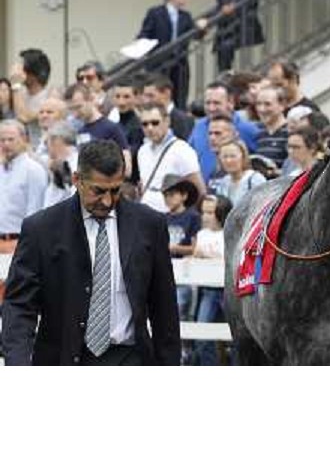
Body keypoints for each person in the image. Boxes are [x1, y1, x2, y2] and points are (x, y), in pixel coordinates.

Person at [2, 139, 181, 365]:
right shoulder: (41, 229)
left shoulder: (149, 225)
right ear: (77, 180)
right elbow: (19, 305)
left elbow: (164, 307)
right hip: (61, 361)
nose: (107, 201)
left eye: (115, 190)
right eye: (98, 191)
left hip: (130, 359)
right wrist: (17, 364)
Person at [138, 0, 202, 109]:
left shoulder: (186, 16)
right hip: (158, 64)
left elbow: (195, 36)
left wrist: (201, 28)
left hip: (180, 64)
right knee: (156, 98)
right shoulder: (155, 13)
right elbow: (144, 34)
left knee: (179, 99)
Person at [161, 173, 201, 363]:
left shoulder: (193, 217)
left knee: (182, 310)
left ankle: (185, 352)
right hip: (166, 272)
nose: (168, 199)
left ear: (183, 195)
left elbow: (196, 247)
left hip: (186, 272)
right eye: (166, 195)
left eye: (172, 194)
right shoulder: (162, 218)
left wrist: (173, 248)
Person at [137, 103, 205, 213]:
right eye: (145, 124)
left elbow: (198, 190)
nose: (150, 128)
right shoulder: (142, 151)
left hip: (170, 217)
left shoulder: (181, 149)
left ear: (167, 121)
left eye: (155, 123)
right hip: (145, 213)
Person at [188, 81, 259, 183]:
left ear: (230, 103)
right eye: (208, 103)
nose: (211, 108)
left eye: (216, 103)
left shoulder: (247, 129)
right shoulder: (198, 126)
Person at [199, 0, 265, 73]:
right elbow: (218, 10)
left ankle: (226, 75)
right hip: (228, 31)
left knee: (226, 45)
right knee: (223, 45)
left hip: (244, 29)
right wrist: (204, 20)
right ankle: (224, 76)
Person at [193, 194, 233, 366]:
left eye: (210, 213)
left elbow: (230, 258)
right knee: (201, 335)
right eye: (204, 212)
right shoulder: (201, 234)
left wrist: (206, 255)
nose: (205, 217)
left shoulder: (230, 233)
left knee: (236, 336)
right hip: (207, 290)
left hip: (229, 291)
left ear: (221, 212)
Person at [65, 83, 132, 179]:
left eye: (78, 107)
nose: (75, 114)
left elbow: (127, 168)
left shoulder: (111, 128)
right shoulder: (80, 131)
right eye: (71, 109)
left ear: (91, 100)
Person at [0, 120, 47, 246]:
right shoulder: (1, 169)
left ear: (24, 139)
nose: (6, 144)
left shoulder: (33, 170)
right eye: (2, 140)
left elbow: (35, 212)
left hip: (19, 241)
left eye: (11, 139)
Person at [9, 48, 52, 147]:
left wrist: (16, 84)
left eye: (22, 69)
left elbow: (23, 117)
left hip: (43, 150)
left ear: (34, 73)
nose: (17, 72)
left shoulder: (50, 96)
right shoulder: (21, 93)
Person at [212, 139, 266, 206]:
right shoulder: (224, 182)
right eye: (225, 157)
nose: (228, 161)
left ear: (243, 157)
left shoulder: (255, 179)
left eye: (233, 156)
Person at [142, 73, 194, 140]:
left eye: (151, 96)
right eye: (145, 96)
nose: (146, 101)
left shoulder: (183, 120)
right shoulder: (144, 117)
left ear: (166, 93)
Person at [43, 121, 79, 209]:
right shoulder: (60, 164)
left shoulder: (77, 163)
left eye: (46, 142)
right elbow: (52, 200)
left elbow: (76, 199)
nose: (46, 147)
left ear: (56, 140)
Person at [255, 86, 289, 169]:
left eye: (267, 104)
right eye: (258, 104)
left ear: (282, 105)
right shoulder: (259, 132)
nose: (262, 109)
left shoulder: (290, 132)